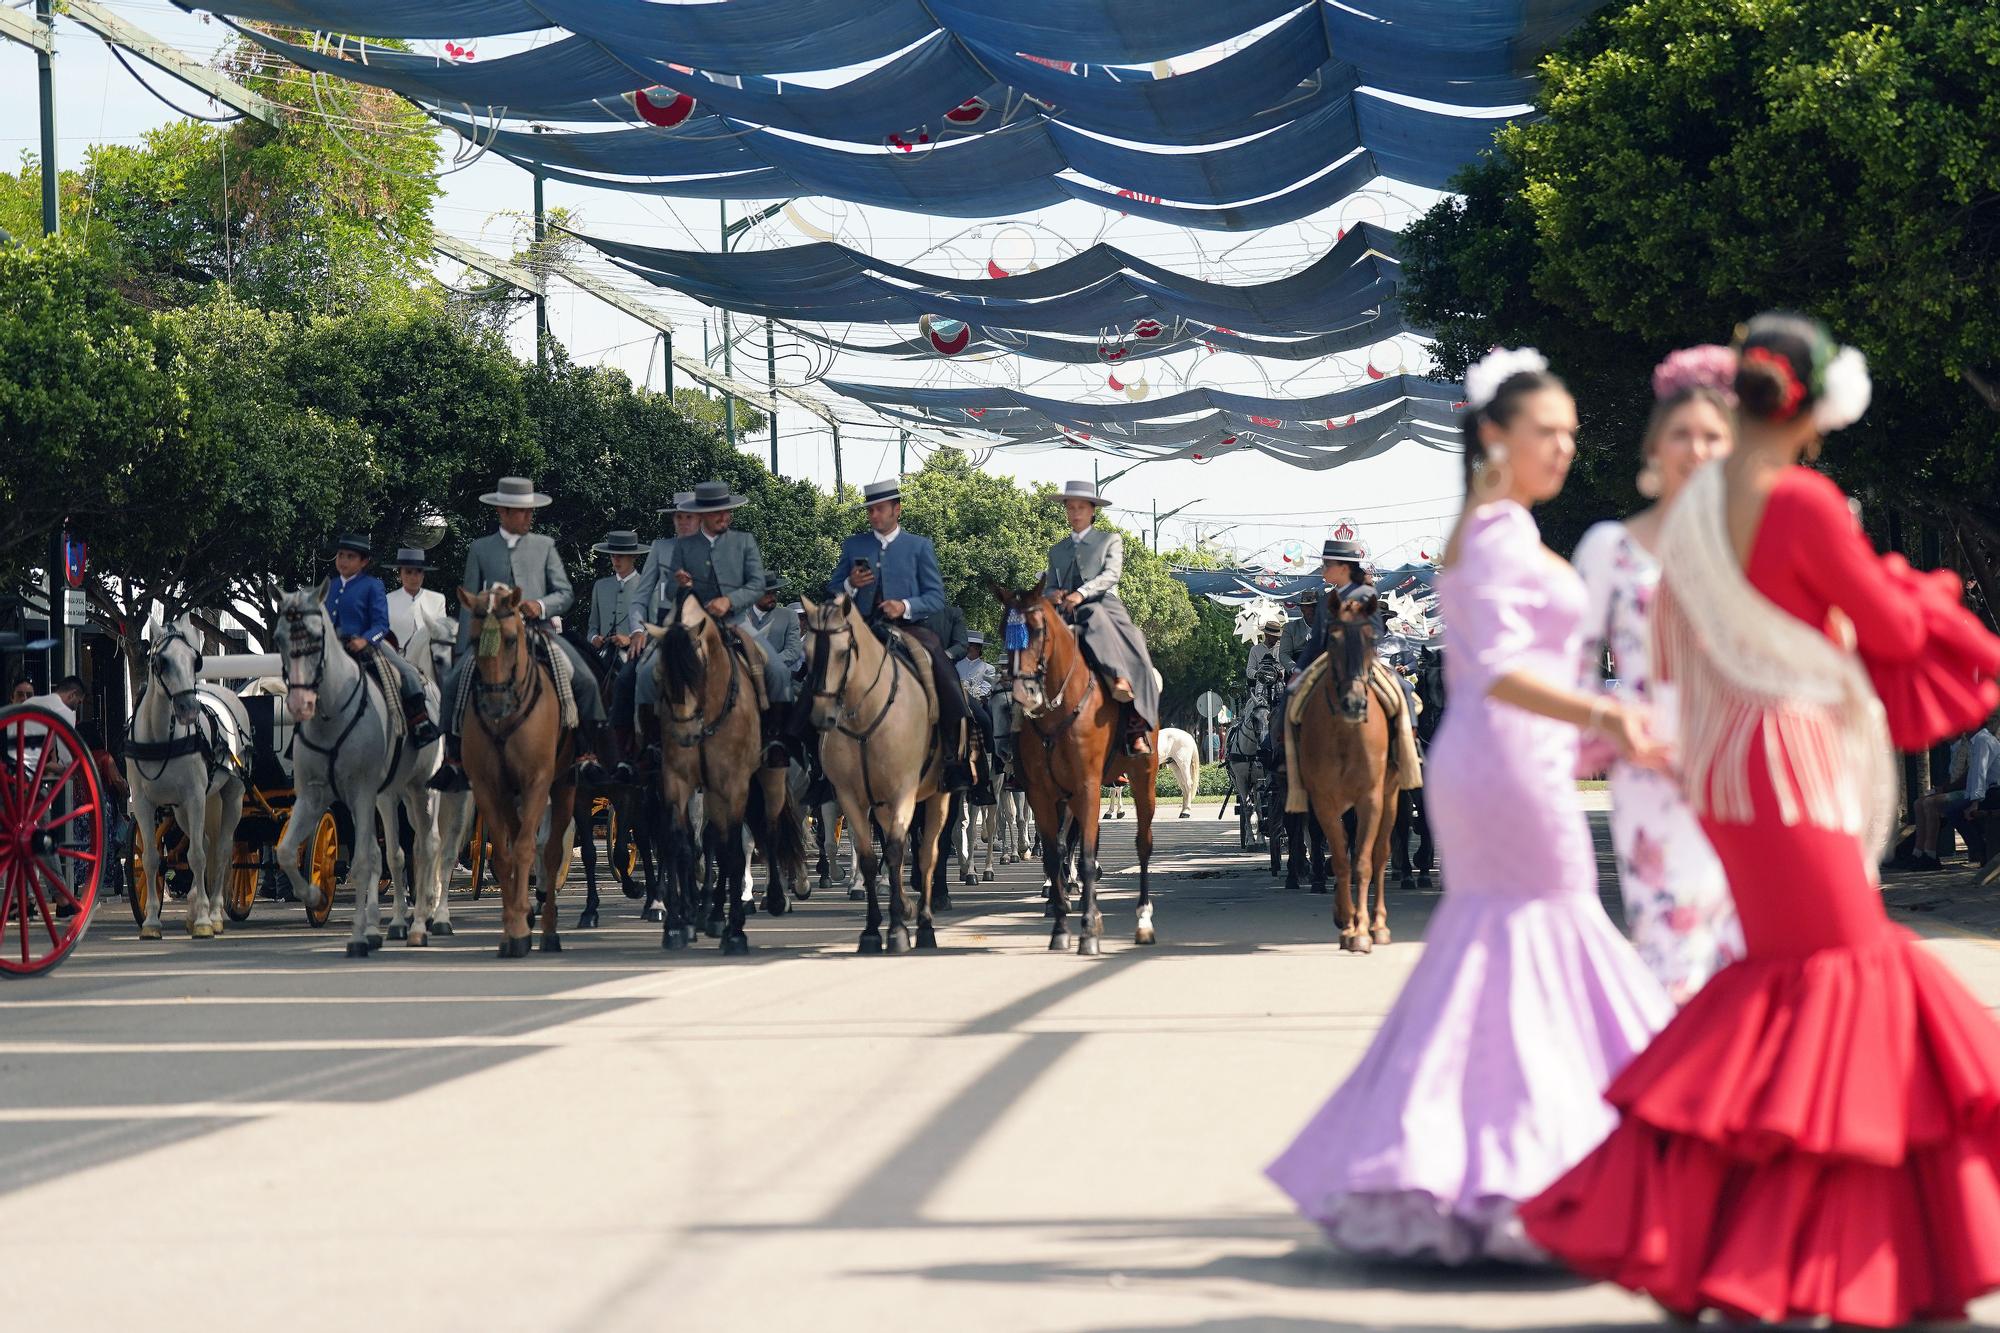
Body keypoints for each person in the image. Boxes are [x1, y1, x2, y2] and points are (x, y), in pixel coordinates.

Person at [1522, 314, 2000, 1327]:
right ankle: (1842, 1249)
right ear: (1817, 412)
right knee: (1844, 973)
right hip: (1789, 764)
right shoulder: (1799, 501)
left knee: (1780, 985)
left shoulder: (1689, 516)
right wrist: (1928, 595)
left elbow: (1660, 637)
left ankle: (1762, 1243)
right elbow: (1882, 628)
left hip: (1723, 773)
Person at [1266, 347, 1673, 1264]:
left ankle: (1503, 1161)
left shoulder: (1489, 528)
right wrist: (1608, 710)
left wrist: (1593, 731)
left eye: (1572, 431)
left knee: (1504, 945)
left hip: (1514, 755)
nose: (1567, 446)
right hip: (1506, 767)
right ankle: (1535, 1164)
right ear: (1496, 435)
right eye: (1550, 431)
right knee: (1540, 935)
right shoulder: (1492, 535)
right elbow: (1496, 673)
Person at [1571, 346, 1744, 1003]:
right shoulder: (1609, 549)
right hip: (1654, 778)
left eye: (1712, 436)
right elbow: (1572, 672)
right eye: (1681, 434)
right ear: (1653, 447)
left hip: (1745, 772)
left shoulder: (1757, 544)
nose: (1696, 449)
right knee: (1673, 966)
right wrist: (1615, 719)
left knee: (1752, 969)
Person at [431, 476, 605, 790]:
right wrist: (461, 650)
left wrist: (540, 604)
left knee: (585, 679)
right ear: (503, 512)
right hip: (492, 634)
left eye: (529, 512)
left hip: (537, 631)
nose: (527, 517)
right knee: (455, 679)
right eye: (521, 511)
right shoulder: (481, 548)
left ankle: (585, 753)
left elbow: (565, 593)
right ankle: (454, 760)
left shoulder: (545, 546)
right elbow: (469, 600)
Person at [829, 478, 976, 791]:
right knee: (821, 671)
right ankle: (821, 765)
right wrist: (850, 584)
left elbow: (936, 596)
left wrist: (905, 605)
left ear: (897, 509)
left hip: (910, 628)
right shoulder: (853, 545)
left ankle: (954, 758)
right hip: (862, 628)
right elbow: (832, 589)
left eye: (879, 509)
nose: (873, 515)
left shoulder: (919, 546)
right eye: (870, 510)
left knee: (944, 673)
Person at [1042, 479, 1159, 755]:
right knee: (1029, 642)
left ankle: (1135, 722)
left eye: (1080, 507)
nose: (1074, 513)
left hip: (1102, 604)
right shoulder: (1056, 549)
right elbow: (1048, 583)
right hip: (1064, 609)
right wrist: (1052, 595)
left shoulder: (1109, 540)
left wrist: (1081, 594)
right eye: (1070, 508)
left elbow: (1111, 575)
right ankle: (1018, 727)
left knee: (1136, 643)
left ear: (1092, 510)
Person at [324, 534, 438, 745]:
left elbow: (381, 626)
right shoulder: (329, 586)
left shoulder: (372, 585)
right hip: (333, 647)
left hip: (367, 645)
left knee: (407, 674)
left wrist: (365, 640)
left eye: (350, 556)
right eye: (341, 555)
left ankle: (420, 722)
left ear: (363, 562)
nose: (343, 560)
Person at [1906, 711, 2000, 869]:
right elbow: (1974, 775)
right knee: (1954, 811)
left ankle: (1980, 851)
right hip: (1988, 792)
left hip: (1995, 791)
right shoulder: (1975, 742)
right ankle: (1922, 853)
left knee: (1956, 812)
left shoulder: (1983, 740)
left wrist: (1974, 802)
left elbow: (1979, 773)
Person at [384, 547, 453, 685]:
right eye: (408, 572)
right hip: (397, 659)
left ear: (423, 575)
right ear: (400, 574)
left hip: (430, 661)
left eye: (418, 572)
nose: (413, 577)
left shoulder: (437, 599)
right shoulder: (388, 599)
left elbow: (442, 633)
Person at [586, 530, 646, 659]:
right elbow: (593, 626)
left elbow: (657, 628)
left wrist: (631, 640)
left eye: (621, 556)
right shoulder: (600, 586)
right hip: (602, 654)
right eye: (613, 556)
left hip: (636, 654)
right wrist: (594, 638)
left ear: (634, 556)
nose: (616, 560)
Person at [1246, 614, 1285, 683]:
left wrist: (1281, 673)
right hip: (1260, 684)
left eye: (1277, 637)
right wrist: (1258, 674)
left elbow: (1284, 667)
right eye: (1274, 637)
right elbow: (1249, 670)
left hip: (1278, 683)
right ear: (1267, 635)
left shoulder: (1281, 649)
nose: (1276, 639)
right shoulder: (1255, 650)